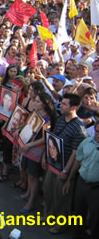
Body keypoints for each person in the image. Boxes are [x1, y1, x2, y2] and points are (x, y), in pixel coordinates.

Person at [42, 93, 88, 234]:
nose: (60, 105)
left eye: (64, 104)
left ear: (73, 108)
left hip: (64, 168)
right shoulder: (61, 119)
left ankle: (61, 224)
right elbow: (52, 138)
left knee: (62, 198)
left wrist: (67, 172)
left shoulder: (79, 128)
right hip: (53, 163)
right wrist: (45, 155)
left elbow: (76, 153)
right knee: (48, 189)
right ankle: (49, 216)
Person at [63, 121, 99, 239]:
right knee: (79, 211)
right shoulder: (86, 142)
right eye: (97, 131)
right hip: (82, 183)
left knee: (95, 216)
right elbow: (77, 162)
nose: (98, 134)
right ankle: (78, 234)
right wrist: (69, 180)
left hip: (96, 188)